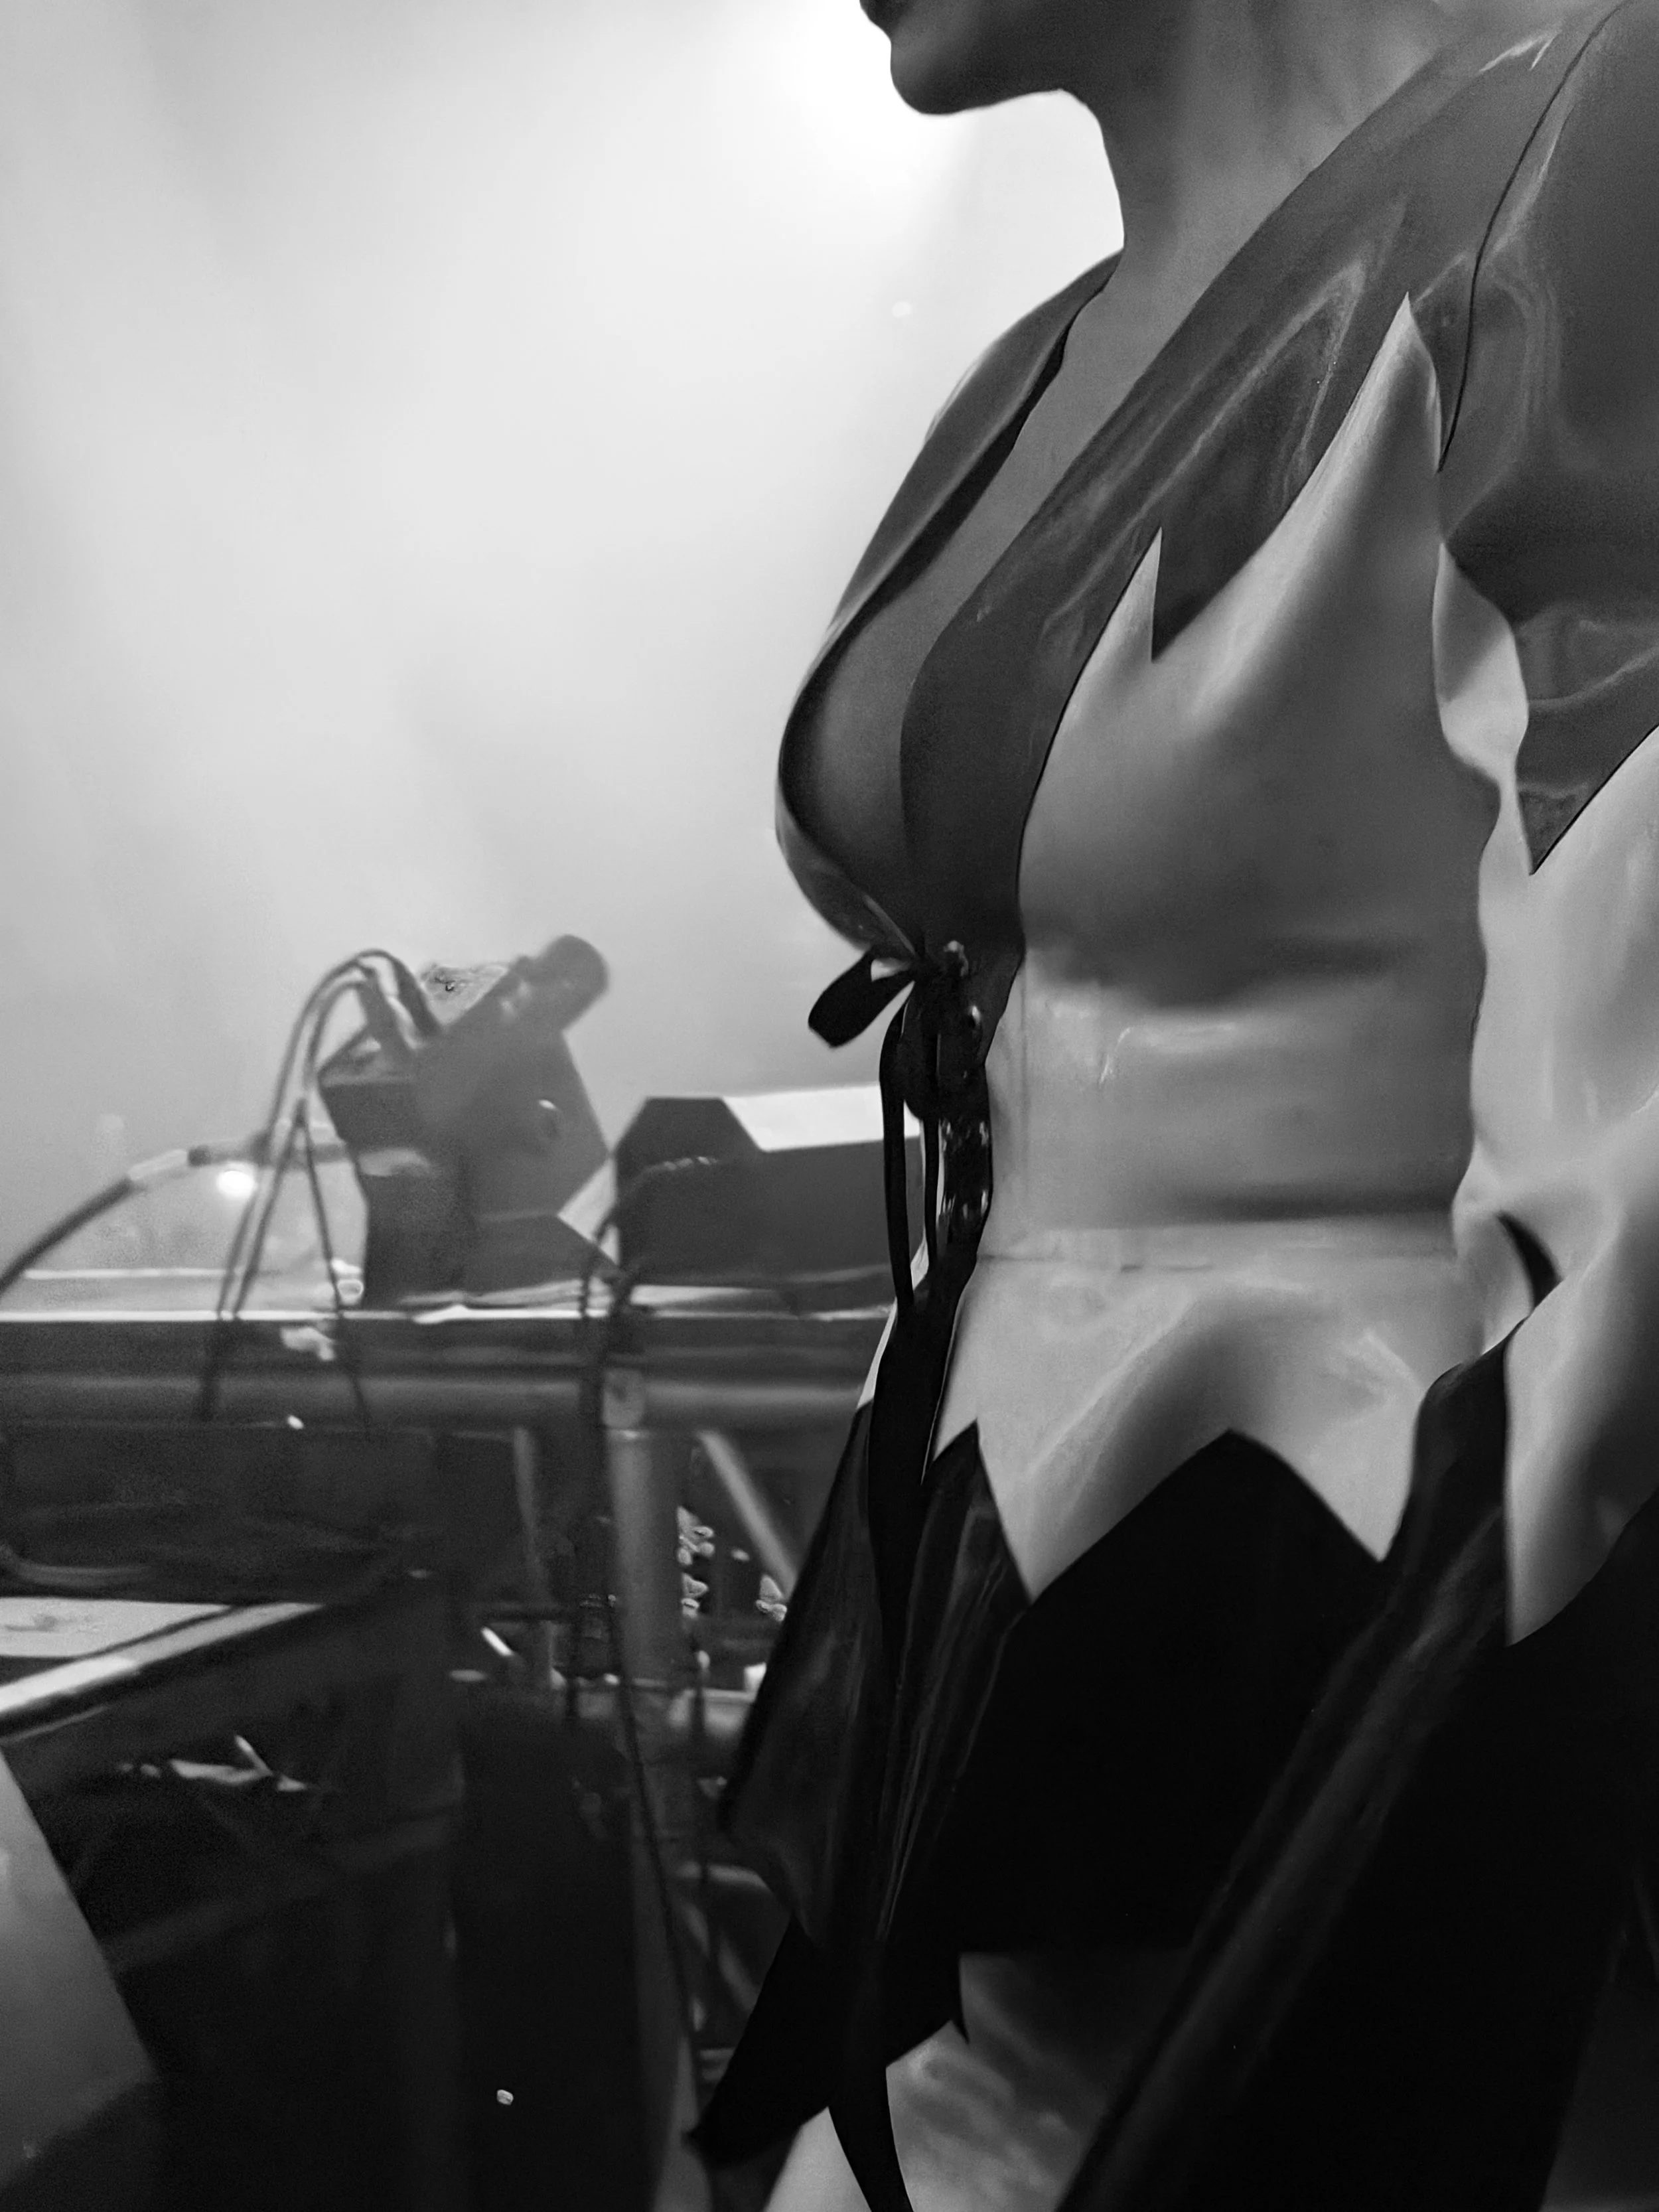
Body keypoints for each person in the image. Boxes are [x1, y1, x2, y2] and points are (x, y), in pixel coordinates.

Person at [695, 0, 1659, 2205]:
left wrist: (1478, 1687)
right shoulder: (1038, 352)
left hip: (1400, 1567)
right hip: (1021, 1535)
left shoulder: (1577, 154)